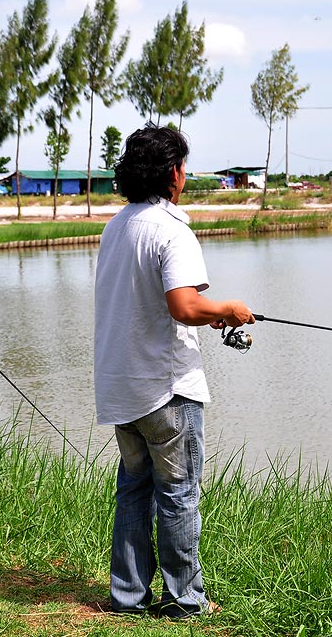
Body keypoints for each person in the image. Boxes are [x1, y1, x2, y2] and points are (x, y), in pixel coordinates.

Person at [93, 126, 254, 618]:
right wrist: (228, 307)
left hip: (121, 386)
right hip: (164, 389)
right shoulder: (170, 228)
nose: (184, 174)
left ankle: (128, 598)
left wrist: (216, 312)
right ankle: (185, 600)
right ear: (172, 174)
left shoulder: (116, 226)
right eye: (182, 166)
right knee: (179, 493)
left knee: (134, 490)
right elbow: (184, 306)